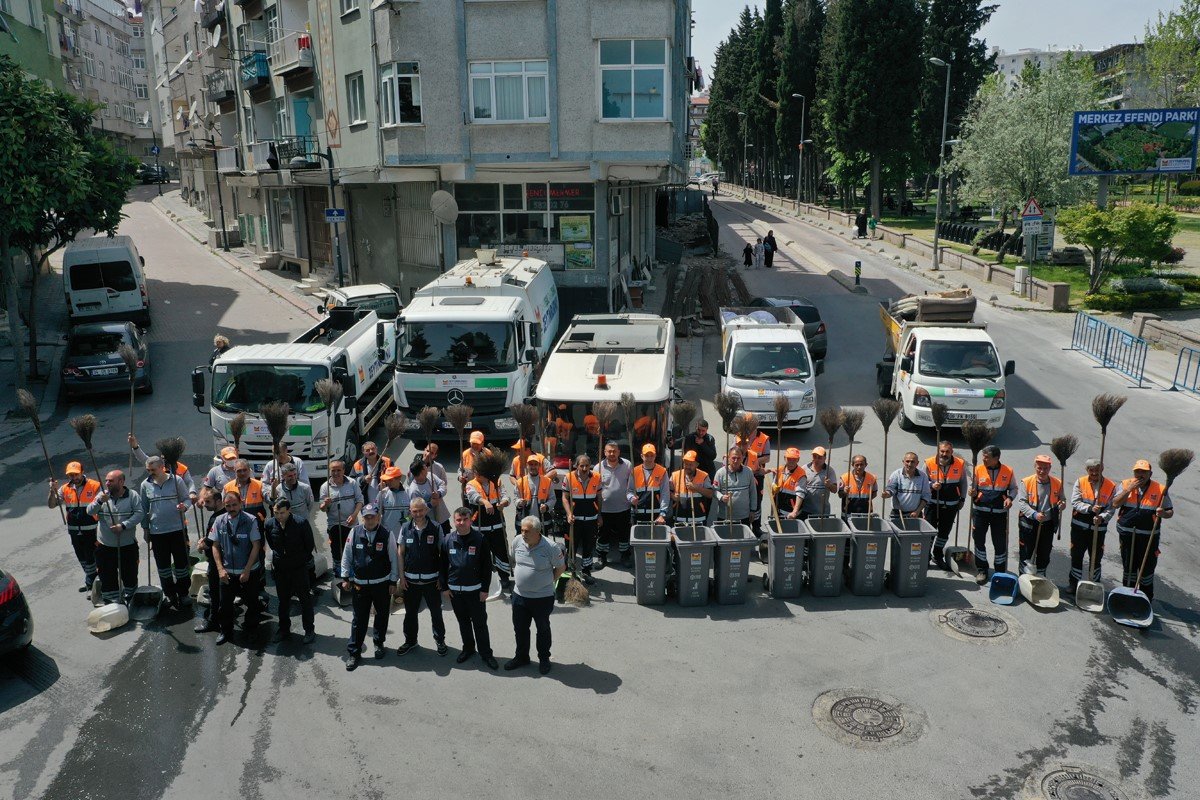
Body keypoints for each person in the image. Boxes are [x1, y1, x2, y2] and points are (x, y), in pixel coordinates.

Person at [340, 504, 399, 670]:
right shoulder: (354, 532)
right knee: (359, 620)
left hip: (382, 584)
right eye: (366, 517)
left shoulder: (387, 534)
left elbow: (394, 558)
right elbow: (347, 555)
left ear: (378, 517)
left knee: (381, 616)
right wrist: (345, 577)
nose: (370, 519)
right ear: (362, 518)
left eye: (373, 516)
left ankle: (379, 643)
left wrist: (393, 581)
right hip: (360, 585)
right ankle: (354, 652)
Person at [505, 516, 565, 674]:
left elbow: (560, 567)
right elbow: (514, 559)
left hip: (542, 598)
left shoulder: (551, 547)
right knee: (520, 629)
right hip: (519, 596)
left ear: (538, 532)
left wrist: (547, 581)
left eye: (527, 531)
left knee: (543, 629)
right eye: (522, 530)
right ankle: (522, 657)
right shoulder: (517, 541)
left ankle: (544, 659)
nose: (523, 533)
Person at [441, 507, 497, 669]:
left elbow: (487, 566)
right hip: (455, 592)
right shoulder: (447, 540)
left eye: (465, 520)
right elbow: (443, 565)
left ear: (470, 520)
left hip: (475, 591)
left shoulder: (480, 539)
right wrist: (444, 586)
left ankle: (486, 653)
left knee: (480, 624)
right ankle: (469, 649)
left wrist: (485, 589)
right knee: (463, 623)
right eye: (458, 520)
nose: (462, 523)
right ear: (454, 521)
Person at [1112, 459, 1174, 601]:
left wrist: (1163, 513)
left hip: (1148, 537)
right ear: (1134, 472)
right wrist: (1129, 490)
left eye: (1143, 472)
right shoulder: (1125, 484)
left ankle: (1145, 600)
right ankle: (1127, 597)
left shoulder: (1160, 489)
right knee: (1129, 569)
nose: (1140, 474)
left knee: (1146, 570)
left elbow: (1170, 512)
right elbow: (1115, 504)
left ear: (1150, 473)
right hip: (1127, 534)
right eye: (1137, 471)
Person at [209, 491, 263, 646]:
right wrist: (220, 569)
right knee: (225, 605)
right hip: (227, 573)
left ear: (241, 503)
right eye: (228, 506)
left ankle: (252, 630)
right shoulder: (219, 520)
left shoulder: (251, 521)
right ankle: (225, 631)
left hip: (248, 572)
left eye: (234, 505)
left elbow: (256, 546)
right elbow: (215, 546)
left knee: (252, 603)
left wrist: (247, 570)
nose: (231, 508)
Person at [395, 497, 447, 657]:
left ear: (426, 510)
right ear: (410, 512)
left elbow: (443, 554)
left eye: (420, 510)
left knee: (436, 613)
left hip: (432, 580)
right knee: (410, 614)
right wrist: (402, 577)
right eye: (414, 511)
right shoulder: (405, 528)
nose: (418, 514)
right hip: (410, 582)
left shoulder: (436, 527)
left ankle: (440, 640)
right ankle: (410, 641)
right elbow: (400, 553)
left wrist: (442, 578)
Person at [140, 455, 194, 609]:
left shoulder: (177, 481)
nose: (150, 472)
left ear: (162, 466)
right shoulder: (145, 485)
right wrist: (145, 529)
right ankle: (170, 595)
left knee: (181, 564)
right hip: (157, 533)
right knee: (163, 567)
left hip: (177, 530)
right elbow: (144, 508)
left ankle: (183, 593)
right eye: (148, 470)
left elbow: (187, 499)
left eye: (153, 469)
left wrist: (185, 506)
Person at [88, 470, 143, 606]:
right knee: (107, 576)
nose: (107, 483)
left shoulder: (132, 496)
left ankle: (130, 599)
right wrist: (99, 501)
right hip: (105, 546)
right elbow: (89, 511)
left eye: (110, 481)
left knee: (129, 575)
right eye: (106, 480)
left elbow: (139, 514)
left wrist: (123, 526)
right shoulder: (102, 496)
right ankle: (112, 603)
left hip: (127, 545)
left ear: (121, 482)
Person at [264, 499, 315, 644]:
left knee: (304, 599)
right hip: (281, 569)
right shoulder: (269, 524)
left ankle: (309, 630)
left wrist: (299, 560)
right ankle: (284, 629)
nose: (279, 516)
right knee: (283, 601)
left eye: (282, 513)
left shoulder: (301, 523)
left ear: (289, 511)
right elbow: (272, 543)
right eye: (276, 513)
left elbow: (309, 545)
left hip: (298, 568)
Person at [48, 462, 101, 593]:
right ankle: (92, 582)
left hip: (90, 529)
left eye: (76, 474)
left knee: (91, 558)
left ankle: (92, 584)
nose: (74, 477)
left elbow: (103, 505)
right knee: (81, 557)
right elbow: (52, 505)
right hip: (74, 530)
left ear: (82, 471)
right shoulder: (64, 488)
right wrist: (52, 490)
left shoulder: (94, 485)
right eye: (71, 475)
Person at [268, 462, 319, 594]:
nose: (292, 477)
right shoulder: (278, 489)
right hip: (285, 528)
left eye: (294, 475)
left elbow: (310, 504)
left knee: (307, 555)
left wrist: (302, 518)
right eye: (289, 475)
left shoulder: (305, 488)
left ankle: (310, 584)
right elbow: (273, 502)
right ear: (283, 476)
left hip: (302, 527)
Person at [970, 444, 1017, 585]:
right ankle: (982, 569)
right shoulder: (978, 469)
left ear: (996, 458)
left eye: (987, 457)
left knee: (1000, 543)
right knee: (979, 541)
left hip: (999, 514)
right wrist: (972, 493)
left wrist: (1010, 498)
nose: (983, 459)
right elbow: (974, 488)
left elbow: (1014, 488)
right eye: (983, 457)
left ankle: (1000, 571)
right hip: (980, 512)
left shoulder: (1008, 471)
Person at [1068, 458, 1117, 592]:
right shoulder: (1080, 482)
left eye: (1097, 470)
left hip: (1098, 529)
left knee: (1096, 558)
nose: (1094, 473)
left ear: (1102, 469)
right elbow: (1075, 502)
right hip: (1079, 528)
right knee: (1076, 556)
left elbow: (1111, 508)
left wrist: (1102, 517)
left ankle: (1093, 586)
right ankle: (1073, 584)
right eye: (1091, 470)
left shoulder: (1111, 486)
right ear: (1087, 470)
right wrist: (1089, 509)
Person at [465, 460, 511, 591]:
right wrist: (484, 501)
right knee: (481, 554)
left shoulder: (496, 482)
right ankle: (481, 577)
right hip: (480, 526)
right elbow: (472, 496)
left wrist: (504, 502)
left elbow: (505, 496)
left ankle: (504, 576)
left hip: (497, 524)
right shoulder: (470, 484)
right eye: (478, 473)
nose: (481, 475)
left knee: (501, 551)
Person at [1016, 454, 1066, 577]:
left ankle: (1040, 577)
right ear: (1035, 467)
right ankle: (1023, 578)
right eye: (1039, 468)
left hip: (1048, 525)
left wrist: (1062, 504)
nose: (1042, 471)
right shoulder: (1026, 482)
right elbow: (1022, 503)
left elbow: (1062, 500)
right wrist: (1034, 514)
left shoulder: (1057, 483)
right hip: (1029, 523)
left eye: (1045, 468)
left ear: (1050, 468)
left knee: (1044, 553)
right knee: (1026, 552)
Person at [922, 441, 968, 570]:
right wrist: (931, 485)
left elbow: (963, 483)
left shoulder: (960, 463)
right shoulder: (929, 463)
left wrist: (962, 499)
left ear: (951, 452)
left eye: (947, 451)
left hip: (951, 504)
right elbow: (922, 481)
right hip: (932, 503)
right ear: (938, 451)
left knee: (944, 532)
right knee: (929, 532)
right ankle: (926, 557)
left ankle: (937, 555)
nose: (944, 454)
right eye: (942, 451)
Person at [319, 460, 363, 582]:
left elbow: (360, 501)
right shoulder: (325, 487)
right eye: (333, 470)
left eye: (339, 470)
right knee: (337, 550)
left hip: (351, 524)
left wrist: (354, 515)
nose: (336, 473)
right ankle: (339, 574)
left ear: (344, 470)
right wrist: (325, 504)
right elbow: (322, 509)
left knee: (352, 548)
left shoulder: (352, 483)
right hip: (334, 525)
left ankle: (353, 572)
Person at [564, 456, 602, 584]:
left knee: (588, 546)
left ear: (590, 465)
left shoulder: (597, 477)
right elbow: (565, 498)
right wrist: (569, 513)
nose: (584, 468)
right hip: (574, 520)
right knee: (571, 547)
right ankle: (570, 571)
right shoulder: (569, 477)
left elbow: (599, 497)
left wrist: (599, 515)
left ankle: (586, 571)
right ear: (576, 466)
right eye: (581, 466)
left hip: (591, 519)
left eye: (587, 465)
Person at [129, 434, 197, 502]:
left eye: (164, 457)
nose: (162, 458)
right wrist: (135, 447)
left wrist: (192, 492)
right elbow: (144, 458)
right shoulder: (158, 464)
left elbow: (189, 482)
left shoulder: (182, 469)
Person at [596, 442, 633, 568]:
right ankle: (601, 556)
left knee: (624, 534)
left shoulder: (627, 465)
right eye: (609, 451)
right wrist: (598, 511)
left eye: (614, 451)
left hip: (623, 508)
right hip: (605, 509)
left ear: (619, 452)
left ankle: (625, 555)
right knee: (603, 535)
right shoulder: (598, 467)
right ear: (604, 452)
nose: (612, 454)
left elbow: (631, 485)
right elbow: (596, 490)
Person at [712, 447, 758, 527]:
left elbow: (753, 492)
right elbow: (714, 491)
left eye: (738, 458)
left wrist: (753, 510)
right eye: (733, 458)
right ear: (728, 458)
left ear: (742, 458)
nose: (736, 461)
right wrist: (721, 497)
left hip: (744, 517)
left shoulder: (748, 472)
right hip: (725, 516)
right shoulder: (720, 473)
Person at [629, 444, 670, 529]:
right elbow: (629, 491)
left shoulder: (662, 471)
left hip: (656, 514)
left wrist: (662, 514)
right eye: (646, 455)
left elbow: (665, 493)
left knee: (656, 540)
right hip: (637, 513)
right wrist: (631, 498)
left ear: (655, 456)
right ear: (642, 456)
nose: (649, 458)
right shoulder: (634, 471)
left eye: (652, 455)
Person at [884, 452, 932, 524]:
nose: (909, 464)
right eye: (907, 461)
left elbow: (926, 496)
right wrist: (887, 494)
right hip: (897, 513)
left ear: (917, 463)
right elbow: (891, 489)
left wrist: (918, 511)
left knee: (914, 535)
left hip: (915, 513)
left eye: (912, 462)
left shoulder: (923, 476)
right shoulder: (896, 474)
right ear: (903, 462)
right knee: (896, 535)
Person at [671, 450, 714, 528]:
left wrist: (696, 487)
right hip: (679, 517)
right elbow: (668, 491)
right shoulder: (675, 475)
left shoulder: (704, 476)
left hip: (698, 518)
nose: (687, 466)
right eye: (685, 464)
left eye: (690, 464)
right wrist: (673, 496)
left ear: (697, 464)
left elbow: (710, 494)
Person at [406, 457, 448, 533]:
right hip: (429, 523)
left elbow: (442, 484)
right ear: (422, 471)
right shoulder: (414, 490)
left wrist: (439, 493)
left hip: (442, 516)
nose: (427, 468)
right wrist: (430, 504)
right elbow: (417, 510)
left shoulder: (430, 475)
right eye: (425, 467)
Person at [515, 454, 556, 532]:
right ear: (527, 465)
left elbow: (552, 499)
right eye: (531, 464)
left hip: (542, 522)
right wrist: (519, 502)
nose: (533, 467)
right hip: (525, 521)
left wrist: (546, 506)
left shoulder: (547, 481)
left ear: (539, 466)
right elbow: (515, 498)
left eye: (535, 464)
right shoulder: (520, 482)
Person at [224, 459, 267, 531]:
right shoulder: (227, 487)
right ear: (234, 471)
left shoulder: (259, 485)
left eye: (245, 470)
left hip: (256, 525)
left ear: (249, 470)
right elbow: (222, 508)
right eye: (239, 471)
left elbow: (271, 500)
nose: (242, 473)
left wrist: (273, 490)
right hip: (235, 526)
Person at [797, 446, 838, 519]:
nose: (816, 459)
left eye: (819, 457)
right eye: (814, 456)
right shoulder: (804, 468)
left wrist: (829, 485)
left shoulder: (830, 471)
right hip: (805, 510)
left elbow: (834, 490)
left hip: (822, 511)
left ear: (825, 458)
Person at [352, 442, 391, 506]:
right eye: (367, 450)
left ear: (376, 449)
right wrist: (363, 479)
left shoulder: (387, 461)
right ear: (363, 452)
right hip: (366, 502)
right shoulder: (357, 465)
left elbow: (395, 478)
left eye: (373, 449)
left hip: (385, 500)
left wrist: (386, 484)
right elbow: (352, 481)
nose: (371, 451)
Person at [774, 448, 808, 521]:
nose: (791, 462)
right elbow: (774, 486)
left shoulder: (800, 474)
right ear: (784, 458)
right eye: (789, 459)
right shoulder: (780, 469)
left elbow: (800, 494)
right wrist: (774, 488)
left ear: (798, 459)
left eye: (794, 459)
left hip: (791, 514)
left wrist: (794, 512)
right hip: (778, 511)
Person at [377, 465, 411, 534]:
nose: (387, 482)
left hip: (405, 533)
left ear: (399, 478)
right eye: (386, 480)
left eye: (390, 480)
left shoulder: (408, 492)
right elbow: (376, 512)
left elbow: (414, 513)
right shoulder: (382, 493)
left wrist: (407, 519)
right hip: (387, 534)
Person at [459, 431, 489, 503]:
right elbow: (460, 469)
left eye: (477, 443)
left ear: (482, 443)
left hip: (484, 492)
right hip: (469, 491)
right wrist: (460, 476)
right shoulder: (465, 454)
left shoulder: (488, 454)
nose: (475, 445)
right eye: (473, 443)